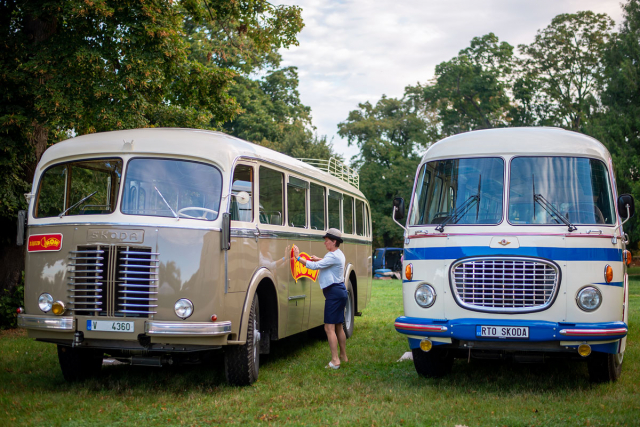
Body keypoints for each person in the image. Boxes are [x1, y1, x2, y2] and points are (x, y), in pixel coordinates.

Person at [292, 228, 348, 370]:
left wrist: (298, 258)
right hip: (340, 291)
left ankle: (335, 361)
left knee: (328, 328)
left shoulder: (332, 256)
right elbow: (328, 262)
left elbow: (315, 266)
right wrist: (319, 259)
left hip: (333, 294)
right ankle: (343, 356)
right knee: (339, 326)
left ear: (334, 241)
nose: (325, 243)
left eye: (327, 241)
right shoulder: (338, 254)